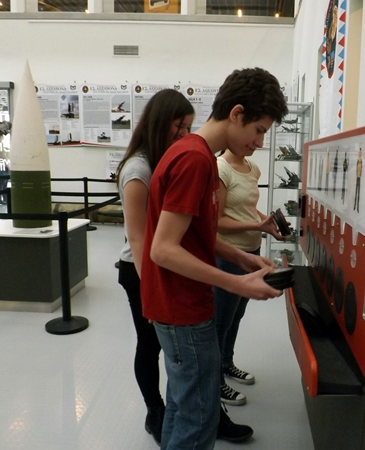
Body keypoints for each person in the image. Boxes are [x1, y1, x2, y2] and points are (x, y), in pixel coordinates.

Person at [140, 67, 289, 449]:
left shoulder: (195, 154)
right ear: (236, 113)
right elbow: (163, 249)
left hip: (177, 304)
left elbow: (195, 233)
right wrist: (237, 283)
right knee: (199, 416)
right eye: (258, 130)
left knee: (182, 407)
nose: (259, 142)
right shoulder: (196, 159)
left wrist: (240, 258)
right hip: (183, 307)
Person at [116, 89, 194, 445]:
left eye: (189, 127)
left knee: (164, 344)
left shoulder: (163, 159)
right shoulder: (138, 170)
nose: (184, 133)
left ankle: (173, 407)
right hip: (139, 270)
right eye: (179, 125)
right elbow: (138, 239)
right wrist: (152, 293)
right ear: (160, 122)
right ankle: (154, 410)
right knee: (149, 345)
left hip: (159, 265)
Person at [214, 149, 285, 406]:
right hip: (230, 255)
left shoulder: (253, 168)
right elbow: (217, 221)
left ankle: (226, 363)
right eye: (256, 132)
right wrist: (257, 226)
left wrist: (267, 224)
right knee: (221, 320)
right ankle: (214, 381)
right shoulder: (220, 169)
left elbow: (249, 209)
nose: (258, 142)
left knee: (236, 315)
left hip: (252, 252)